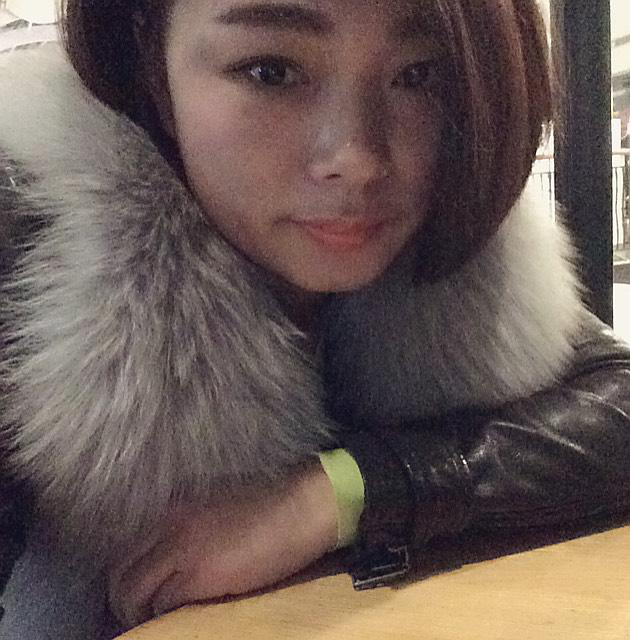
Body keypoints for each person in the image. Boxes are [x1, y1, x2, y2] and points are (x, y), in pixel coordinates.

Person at [2, 0, 630, 637]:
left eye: (418, 75)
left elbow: (617, 403)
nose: (357, 159)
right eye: (270, 71)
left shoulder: (463, 244)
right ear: (148, 59)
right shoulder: (30, 232)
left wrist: (336, 494)